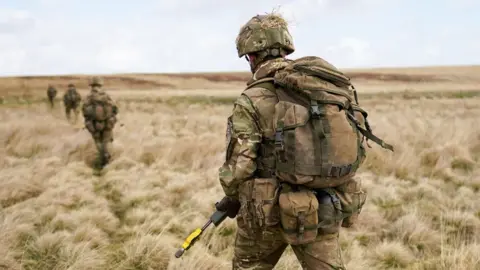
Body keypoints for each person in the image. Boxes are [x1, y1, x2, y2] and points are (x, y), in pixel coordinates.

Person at [215, 13, 393, 270]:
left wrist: (232, 195)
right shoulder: (319, 88)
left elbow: (240, 166)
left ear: (251, 56)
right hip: (321, 207)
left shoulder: (252, 99)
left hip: (266, 213)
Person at [81, 76, 118, 170]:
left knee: (98, 143)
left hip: (94, 125)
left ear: (91, 86)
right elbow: (115, 109)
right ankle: (107, 161)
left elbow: (85, 112)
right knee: (106, 143)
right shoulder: (107, 96)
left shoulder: (88, 98)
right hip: (107, 124)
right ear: (100, 85)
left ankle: (101, 162)